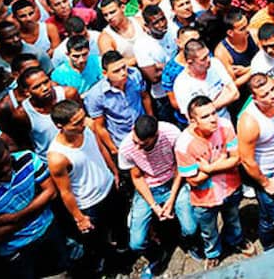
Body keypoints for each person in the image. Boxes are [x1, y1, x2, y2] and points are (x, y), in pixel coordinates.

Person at [0, 138, 69, 278]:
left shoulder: (27, 158)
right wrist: (37, 206)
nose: (6, 169)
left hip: (48, 229)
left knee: (61, 272)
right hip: (18, 249)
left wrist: (14, 217)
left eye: (7, 161)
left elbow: (51, 192)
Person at [175, 96, 254, 269]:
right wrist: (221, 163)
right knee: (208, 231)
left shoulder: (225, 125)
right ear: (193, 121)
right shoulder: (183, 144)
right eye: (205, 116)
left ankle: (236, 240)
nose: (213, 119)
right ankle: (213, 253)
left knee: (233, 218)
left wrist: (209, 169)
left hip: (230, 187)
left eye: (214, 113)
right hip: (204, 198)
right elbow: (193, 180)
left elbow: (237, 158)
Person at [119, 115, 202, 272]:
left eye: (142, 144)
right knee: (136, 243)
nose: (137, 147)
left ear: (155, 136)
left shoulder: (171, 133)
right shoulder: (126, 148)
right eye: (135, 142)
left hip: (173, 181)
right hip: (148, 188)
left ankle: (188, 242)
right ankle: (156, 255)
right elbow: (137, 178)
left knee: (190, 227)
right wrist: (154, 205)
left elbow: (180, 166)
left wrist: (171, 200)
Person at [46, 100, 119, 274]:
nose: (83, 124)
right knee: (99, 241)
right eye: (76, 123)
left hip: (109, 188)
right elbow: (65, 191)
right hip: (89, 204)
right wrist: (79, 218)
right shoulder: (57, 157)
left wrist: (114, 172)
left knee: (118, 226)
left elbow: (101, 150)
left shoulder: (89, 127)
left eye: (82, 118)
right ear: (60, 126)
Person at [236, 74, 274, 251]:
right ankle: (270, 246)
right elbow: (247, 160)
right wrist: (265, 183)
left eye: (273, 89)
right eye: (265, 94)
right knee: (270, 215)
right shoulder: (250, 122)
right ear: (254, 98)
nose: (272, 95)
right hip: (267, 173)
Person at [84, 50, 150, 156]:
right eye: (116, 71)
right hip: (122, 141)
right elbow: (100, 126)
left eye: (124, 67)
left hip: (145, 133)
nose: (123, 73)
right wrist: (113, 148)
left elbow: (145, 97)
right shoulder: (96, 95)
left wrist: (151, 121)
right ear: (105, 73)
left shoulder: (135, 75)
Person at [172, 40, 239, 121]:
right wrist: (222, 95)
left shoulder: (215, 64)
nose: (208, 60)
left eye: (208, 55)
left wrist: (205, 109)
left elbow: (235, 93)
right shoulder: (181, 84)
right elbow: (191, 118)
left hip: (226, 120)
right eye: (203, 59)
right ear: (190, 62)